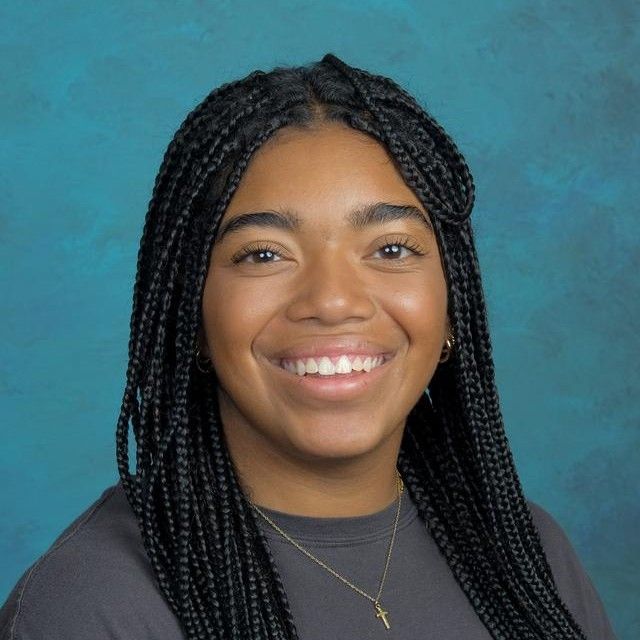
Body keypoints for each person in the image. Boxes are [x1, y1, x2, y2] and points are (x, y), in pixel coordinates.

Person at [0, 53, 618, 640]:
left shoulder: (526, 554)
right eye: (263, 255)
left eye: (391, 248)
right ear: (191, 314)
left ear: (452, 302)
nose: (333, 300)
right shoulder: (90, 604)